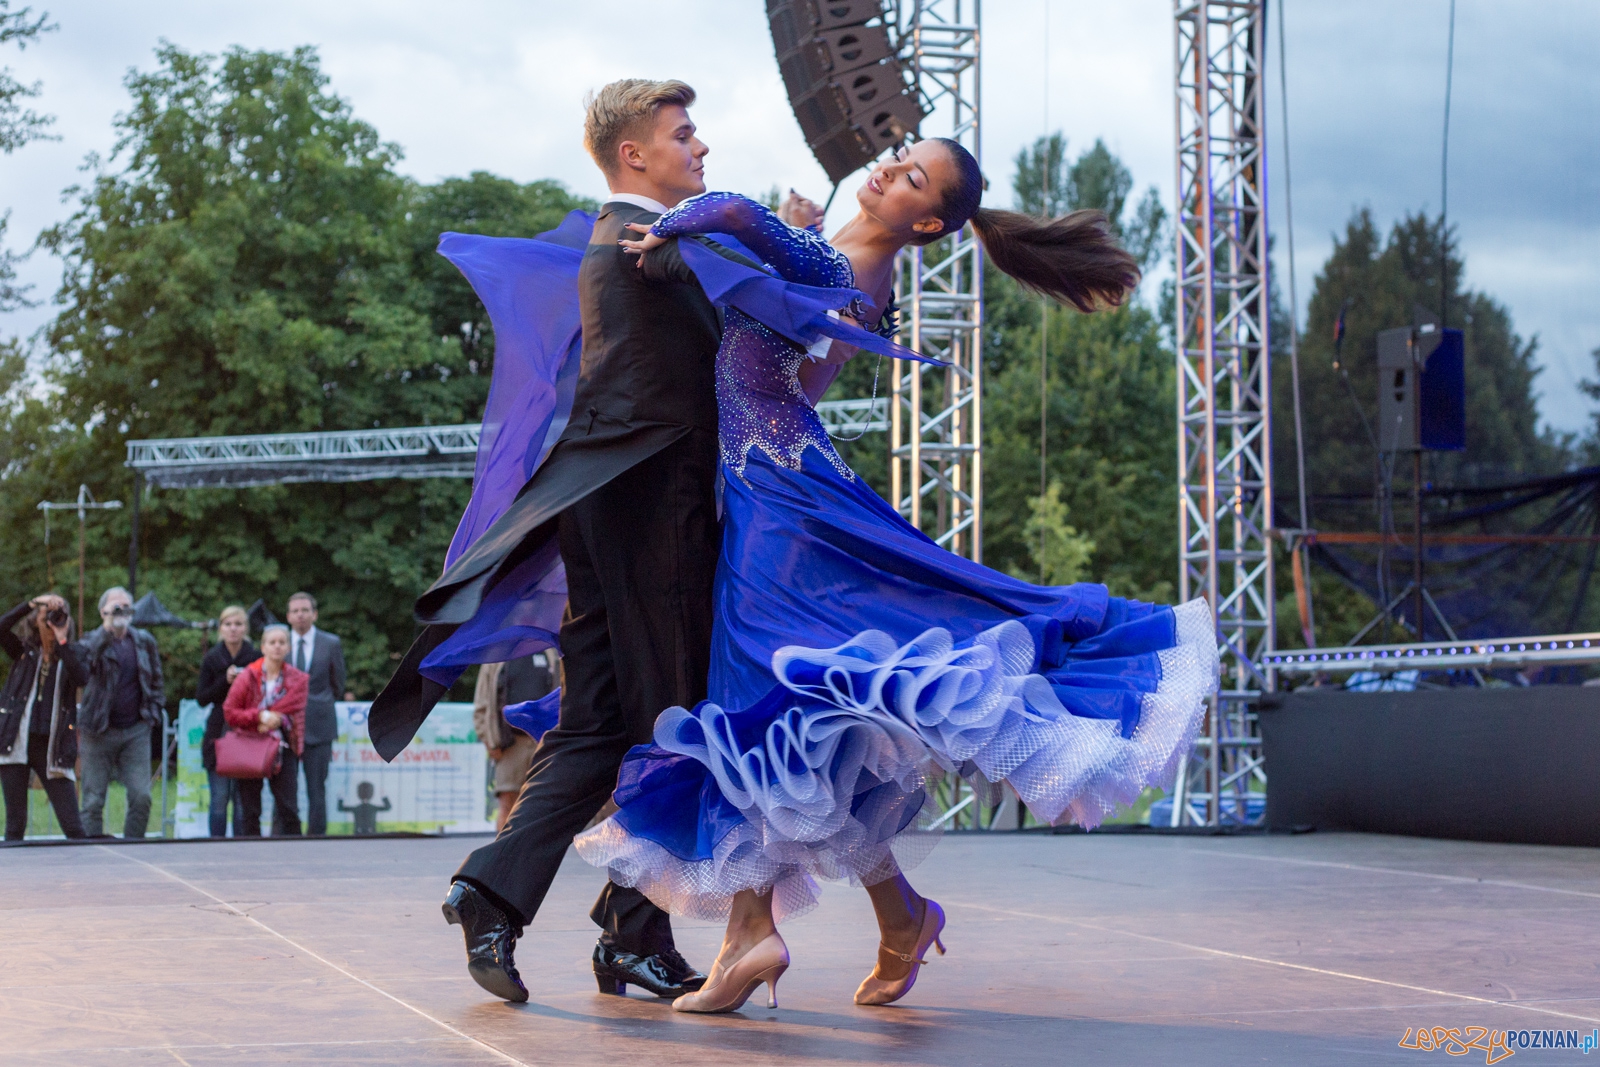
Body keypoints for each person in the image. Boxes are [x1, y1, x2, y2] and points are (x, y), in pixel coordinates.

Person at [370, 77, 721, 1005]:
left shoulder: (634, 243)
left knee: (599, 723)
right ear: (633, 153)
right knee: (672, 719)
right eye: (684, 134)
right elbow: (725, 344)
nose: (701, 148)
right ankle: (634, 932)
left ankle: (492, 892)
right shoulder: (647, 248)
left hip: (608, 503)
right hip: (650, 503)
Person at [76, 586, 166, 839]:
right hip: (98, 730)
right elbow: (84, 667)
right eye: (115, 606)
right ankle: (92, 850)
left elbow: (157, 680)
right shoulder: (91, 640)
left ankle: (132, 846)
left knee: (141, 796)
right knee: (93, 800)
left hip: (136, 730)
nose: (121, 611)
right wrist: (106, 629)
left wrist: (152, 714)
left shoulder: (144, 641)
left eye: (126, 606)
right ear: (102, 611)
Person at [0, 594, 86, 840]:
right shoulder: (24, 653)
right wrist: (31, 603)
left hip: (52, 747)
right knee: (15, 824)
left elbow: (82, 678)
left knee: (73, 826)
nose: (50, 621)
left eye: (56, 616)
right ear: (35, 621)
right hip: (16, 741)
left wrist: (61, 640)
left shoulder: (73, 653)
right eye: (45, 616)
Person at [222, 624, 308, 836]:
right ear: (263, 647)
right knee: (250, 809)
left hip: (283, 747)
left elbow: (295, 705)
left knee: (289, 807)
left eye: (282, 642)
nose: (277, 646)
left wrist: (276, 719)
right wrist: (259, 717)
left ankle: (296, 850)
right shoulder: (248, 676)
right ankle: (252, 851)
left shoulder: (298, 679)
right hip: (250, 746)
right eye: (272, 642)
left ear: (288, 647)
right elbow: (230, 711)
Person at [473, 651, 559, 830]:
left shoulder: (550, 651)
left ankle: (536, 848)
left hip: (543, 743)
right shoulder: (495, 656)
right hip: (509, 744)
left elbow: (561, 696)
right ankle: (504, 848)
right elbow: (481, 705)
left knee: (544, 805)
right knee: (508, 804)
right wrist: (490, 741)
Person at [285, 592, 346, 836]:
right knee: (284, 790)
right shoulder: (279, 642)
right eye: (295, 611)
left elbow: (338, 684)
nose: (300, 615)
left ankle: (316, 838)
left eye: (305, 610)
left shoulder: (330, 643)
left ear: (315, 614)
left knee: (316, 788)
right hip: (285, 726)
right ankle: (284, 836)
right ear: (288, 616)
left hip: (319, 726)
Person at [196, 605, 258, 838]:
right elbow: (202, 698)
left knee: (242, 802)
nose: (233, 629)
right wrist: (225, 680)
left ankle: (243, 847)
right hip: (219, 732)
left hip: (247, 732)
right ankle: (216, 847)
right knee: (219, 799)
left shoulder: (255, 657)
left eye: (238, 624)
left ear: (245, 628)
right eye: (228, 624)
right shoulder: (212, 658)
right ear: (221, 628)